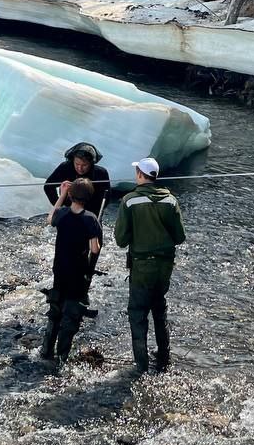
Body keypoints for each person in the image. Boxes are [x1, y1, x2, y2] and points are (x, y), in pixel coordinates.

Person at [114, 157, 185, 374]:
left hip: (141, 266)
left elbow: (121, 240)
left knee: (137, 312)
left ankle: (141, 365)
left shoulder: (129, 201)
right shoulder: (171, 201)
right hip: (164, 267)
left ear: (140, 175)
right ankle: (164, 357)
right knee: (159, 308)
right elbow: (180, 237)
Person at [41, 178, 102, 367]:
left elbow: (50, 218)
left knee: (56, 309)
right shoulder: (90, 218)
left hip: (59, 269)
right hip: (78, 273)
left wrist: (61, 197)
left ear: (71, 195)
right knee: (71, 315)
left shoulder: (63, 213)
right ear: (89, 198)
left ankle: (46, 351)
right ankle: (62, 357)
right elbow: (94, 249)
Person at [44, 143, 111, 218]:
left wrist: (93, 212)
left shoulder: (101, 173)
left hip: (92, 210)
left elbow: (106, 197)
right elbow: (48, 187)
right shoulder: (65, 167)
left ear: (91, 163)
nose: (80, 168)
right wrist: (59, 207)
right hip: (69, 207)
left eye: (84, 165)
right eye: (77, 164)